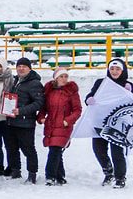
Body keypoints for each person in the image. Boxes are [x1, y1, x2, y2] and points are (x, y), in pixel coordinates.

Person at [85, 59, 130, 187]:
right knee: (98, 149)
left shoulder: (127, 85)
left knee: (117, 152)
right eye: (112, 69)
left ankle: (120, 177)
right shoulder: (101, 83)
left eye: (118, 69)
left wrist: (130, 91)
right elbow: (91, 95)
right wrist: (89, 99)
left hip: (118, 126)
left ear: (123, 71)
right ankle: (108, 172)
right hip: (101, 122)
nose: (114, 71)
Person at [38, 68, 80, 186]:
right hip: (51, 124)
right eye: (61, 77)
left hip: (63, 126)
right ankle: (60, 176)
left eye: (65, 76)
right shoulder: (49, 91)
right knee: (56, 150)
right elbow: (43, 107)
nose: (64, 79)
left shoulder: (71, 92)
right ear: (56, 78)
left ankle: (50, 176)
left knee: (55, 149)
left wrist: (67, 121)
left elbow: (77, 110)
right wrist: (41, 117)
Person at [6, 57, 44, 183]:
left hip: (25, 122)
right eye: (19, 66)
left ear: (29, 68)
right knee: (11, 147)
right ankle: (15, 171)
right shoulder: (15, 80)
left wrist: (21, 111)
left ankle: (32, 174)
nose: (21, 69)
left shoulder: (34, 83)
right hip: (12, 121)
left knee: (28, 149)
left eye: (24, 66)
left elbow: (39, 103)